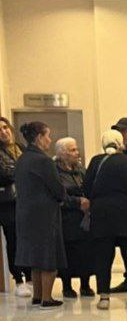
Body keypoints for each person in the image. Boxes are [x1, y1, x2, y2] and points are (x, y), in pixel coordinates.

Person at [83, 128, 127, 310]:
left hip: (101, 214)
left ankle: (104, 297)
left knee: (103, 256)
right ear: (120, 143)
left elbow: (86, 187)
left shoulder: (96, 161)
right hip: (126, 213)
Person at [13, 121, 67, 308]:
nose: (50, 140)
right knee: (48, 257)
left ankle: (37, 295)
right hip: (44, 215)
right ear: (39, 138)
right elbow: (57, 189)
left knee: (35, 258)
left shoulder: (22, 159)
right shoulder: (44, 161)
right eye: (47, 136)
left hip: (25, 214)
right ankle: (47, 298)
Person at [54, 137, 94, 299]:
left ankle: (85, 285)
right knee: (68, 252)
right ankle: (67, 286)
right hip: (66, 218)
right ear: (62, 153)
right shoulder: (55, 172)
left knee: (86, 252)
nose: (77, 153)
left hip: (84, 219)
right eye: (73, 150)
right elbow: (58, 195)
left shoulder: (81, 170)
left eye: (76, 149)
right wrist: (77, 202)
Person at [0, 117, 32, 297]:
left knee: (27, 239)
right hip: (7, 205)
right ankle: (18, 279)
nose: (4, 132)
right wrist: (22, 170)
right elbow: (5, 173)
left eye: (5, 127)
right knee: (13, 241)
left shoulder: (21, 148)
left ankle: (30, 277)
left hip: (26, 201)